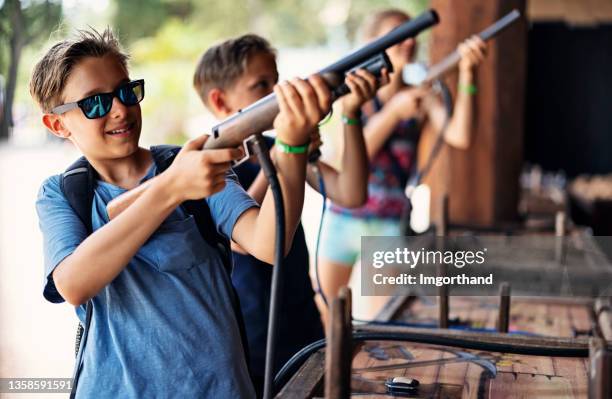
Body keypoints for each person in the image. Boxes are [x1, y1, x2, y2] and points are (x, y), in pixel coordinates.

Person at [32, 28, 331, 398]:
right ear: (57, 124)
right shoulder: (62, 193)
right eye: (95, 103)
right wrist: (171, 188)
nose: (120, 109)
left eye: (127, 91)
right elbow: (73, 284)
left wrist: (291, 145)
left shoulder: (185, 162)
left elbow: (269, 243)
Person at [189, 34, 382, 397]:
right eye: (261, 85)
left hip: (301, 315)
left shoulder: (282, 146)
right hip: (251, 328)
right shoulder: (205, 162)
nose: (276, 93)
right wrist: (280, 158)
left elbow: (351, 193)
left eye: (275, 81)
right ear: (220, 100)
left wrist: (351, 115)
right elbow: (241, 238)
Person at [317, 9, 488, 322]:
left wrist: (468, 74)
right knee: (324, 316)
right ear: (372, 43)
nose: (408, 42)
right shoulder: (352, 94)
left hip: (386, 224)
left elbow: (460, 135)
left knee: (378, 321)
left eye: (412, 35)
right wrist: (393, 114)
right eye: (397, 35)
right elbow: (345, 158)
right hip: (341, 218)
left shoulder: (420, 96)